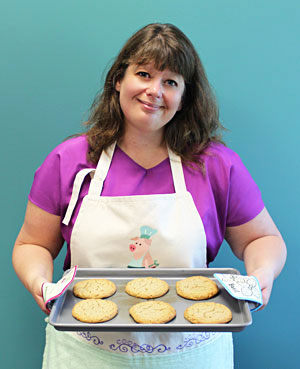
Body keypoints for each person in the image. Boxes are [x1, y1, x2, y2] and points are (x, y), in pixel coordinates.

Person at [12, 23, 287, 369]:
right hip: (84, 353)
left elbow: (262, 238)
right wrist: (39, 282)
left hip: (193, 354)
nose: (154, 90)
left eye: (170, 82)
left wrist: (261, 273)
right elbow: (32, 244)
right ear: (118, 80)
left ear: (184, 96)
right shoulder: (69, 162)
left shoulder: (216, 165)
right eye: (143, 73)